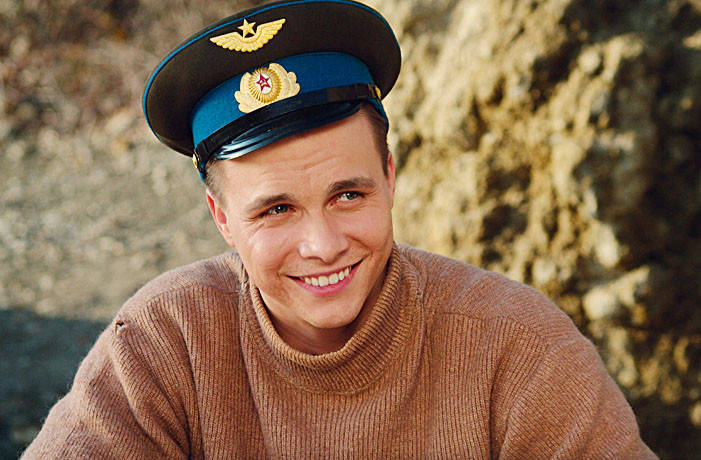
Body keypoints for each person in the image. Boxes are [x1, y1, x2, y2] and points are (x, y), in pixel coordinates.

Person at [22, 1, 656, 458]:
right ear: (222, 218)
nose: (323, 245)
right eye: (276, 210)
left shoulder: (519, 349)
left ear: (390, 176)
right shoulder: (164, 344)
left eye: (349, 195)